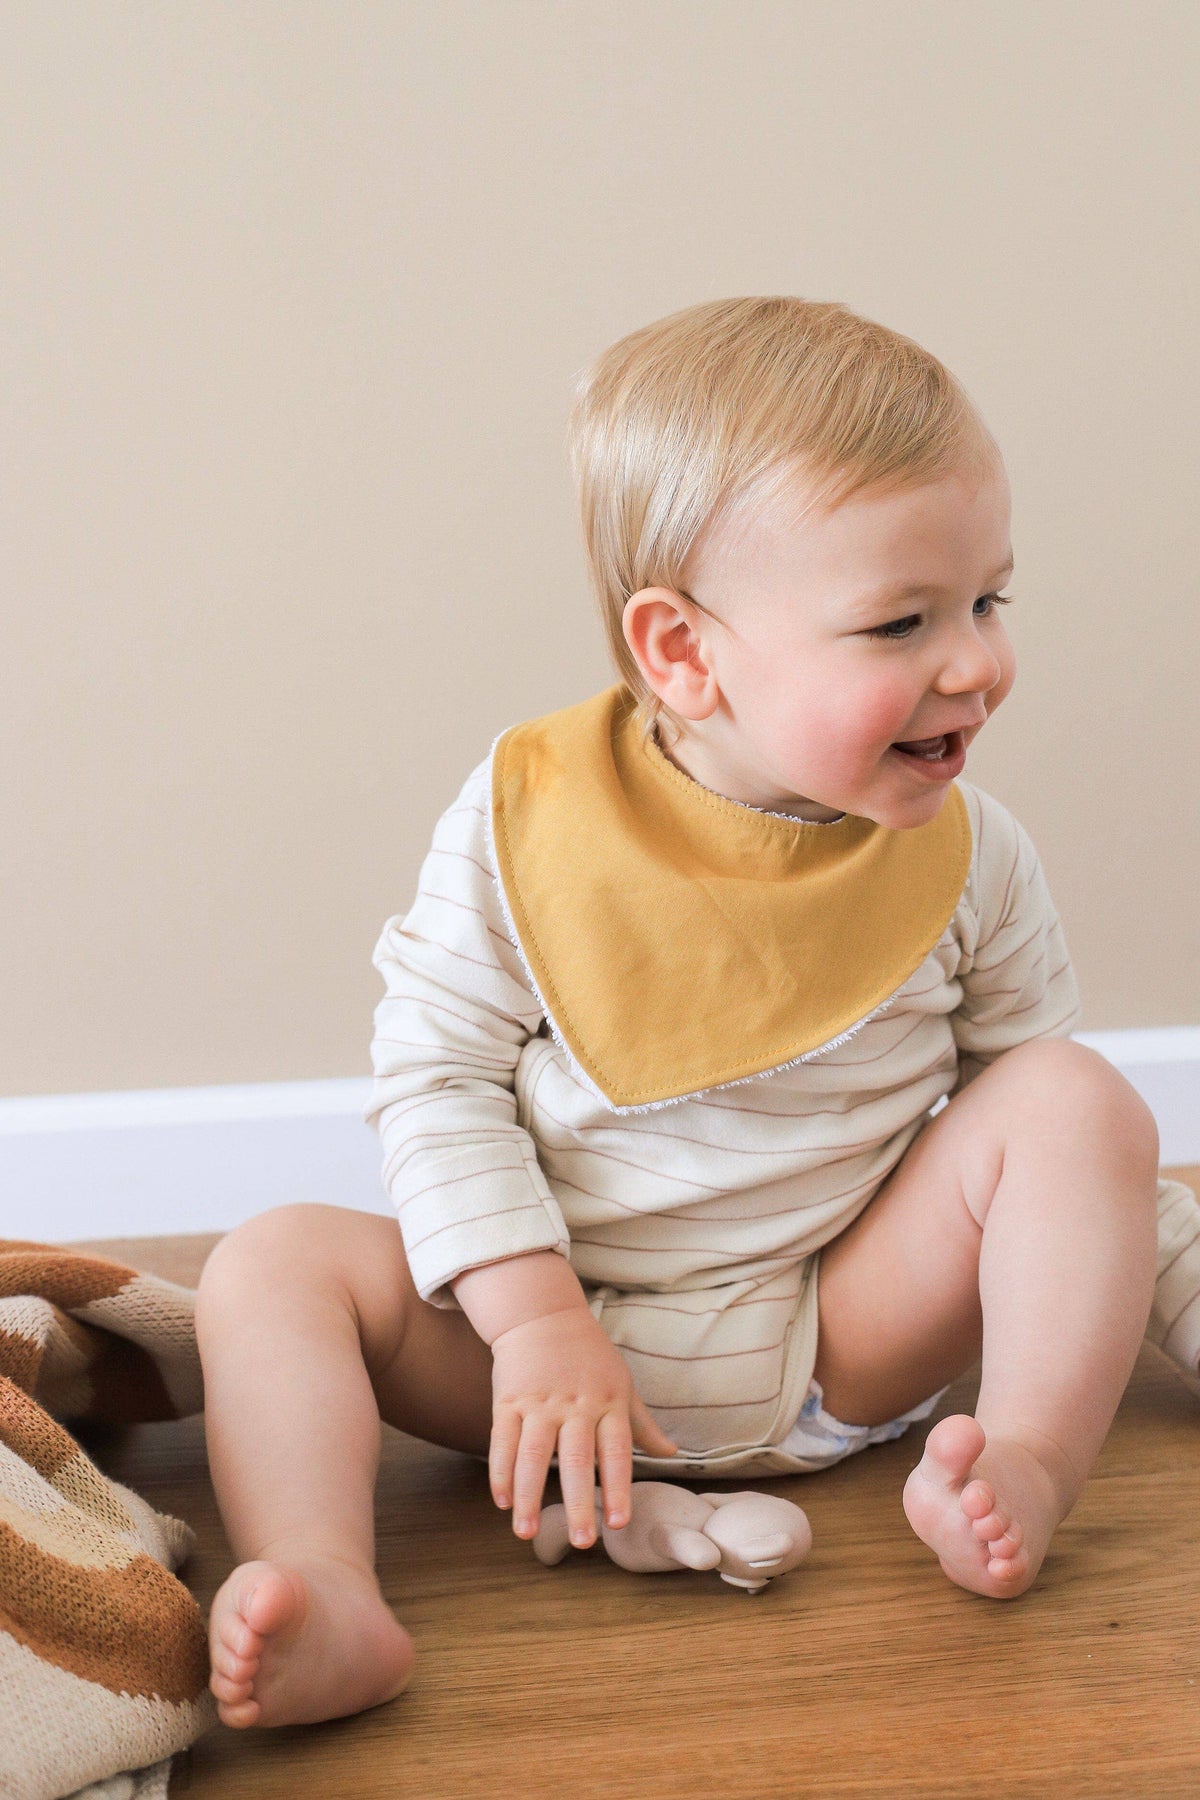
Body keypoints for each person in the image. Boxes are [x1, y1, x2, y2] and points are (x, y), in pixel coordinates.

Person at [195, 296, 1200, 1730]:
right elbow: (436, 1083)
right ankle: (325, 1585)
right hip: (540, 1372)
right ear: (682, 653)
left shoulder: (974, 857)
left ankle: (1025, 1462)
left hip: (847, 1338)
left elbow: (1079, 1163)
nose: (975, 661)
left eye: (989, 601)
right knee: (268, 1265)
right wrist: (535, 1324)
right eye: (901, 621)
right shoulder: (524, 825)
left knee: (1074, 1093)